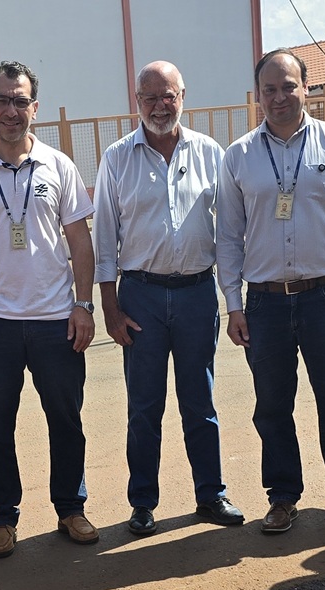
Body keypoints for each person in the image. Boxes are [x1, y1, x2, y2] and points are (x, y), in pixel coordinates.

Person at [217, 49, 325, 533]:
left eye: (288, 86)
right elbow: (227, 237)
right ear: (258, 95)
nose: (279, 97)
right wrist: (233, 305)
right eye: (269, 89)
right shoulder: (239, 156)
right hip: (265, 301)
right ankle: (282, 497)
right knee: (272, 406)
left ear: (306, 88)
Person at [0, 61, 98, 557]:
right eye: (2, 100)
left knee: (66, 421)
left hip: (56, 321)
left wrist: (83, 305)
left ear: (35, 107)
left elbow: (80, 242)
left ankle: (70, 509)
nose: (11, 110)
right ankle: (3, 519)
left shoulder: (59, 166)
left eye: (20, 100)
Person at [93, 61, 243, 538]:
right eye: (150, 98)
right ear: (137, 102)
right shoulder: (118, 158)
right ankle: (142, 502)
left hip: (197, 293)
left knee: (200, 402)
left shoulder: (210, 152)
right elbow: (104, 238)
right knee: (144, 407)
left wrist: (232, 300)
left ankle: (211, 494)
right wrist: (110, 308)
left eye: (168, 96)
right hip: (141, 298)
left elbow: (229, 231)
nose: (160, 106)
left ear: (183, 97)